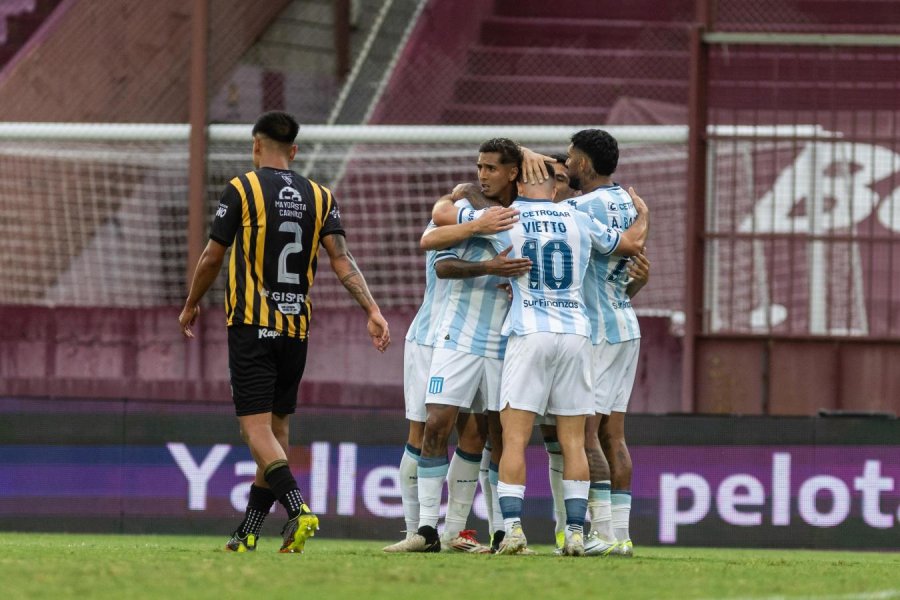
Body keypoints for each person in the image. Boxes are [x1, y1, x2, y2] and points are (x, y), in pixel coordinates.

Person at [177, 111, 390, 553]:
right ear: (294, 151)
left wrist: (192, 301)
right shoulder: (320, 194)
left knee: (254, 431)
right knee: (277, 431)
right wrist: (372, 309)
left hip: (252, 325)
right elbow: (342, 260)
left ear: (256, 146)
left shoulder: (242, 188)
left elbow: (213, 257)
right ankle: (249, 529)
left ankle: (297, 509)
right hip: (295, 329)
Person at [461, 161, 649, 556]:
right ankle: (577, 535)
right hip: (577, 334)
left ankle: (512, 530)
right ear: (553, 185)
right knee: (574, 442)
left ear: (520, 180)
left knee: (514, 439)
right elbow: (630, 245)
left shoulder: (506, 216)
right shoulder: (578, 216)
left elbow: (452, 211)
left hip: (530, 330)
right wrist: (643, 215)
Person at [392, 138, 530, 554]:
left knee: (485, 436)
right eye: (479, 168)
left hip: (502, 339)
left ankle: (465, 531)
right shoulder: (460, 211)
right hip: (441, 335)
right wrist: (479, 236)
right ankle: (419, 528)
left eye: (491, 168)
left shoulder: (526, 215)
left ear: (512, 173)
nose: (482, 174)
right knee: (428, 428)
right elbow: (434, 248)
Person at [566, 128, 650, 557]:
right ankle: (622, 536)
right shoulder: (627, 202)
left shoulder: (579, 208)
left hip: (595, 331)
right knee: (614, 435)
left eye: (569, 158)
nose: (565, 165)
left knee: (584, 435)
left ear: (583, 162)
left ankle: (601, 534)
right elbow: (633, 254)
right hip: (625, 325)